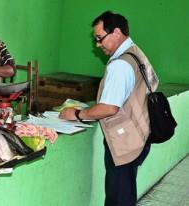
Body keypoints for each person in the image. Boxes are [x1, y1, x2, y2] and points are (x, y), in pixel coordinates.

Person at [59, 11, 159, 206]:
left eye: (99, 38)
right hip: (140, 135)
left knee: (118, 198)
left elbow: (109, 108)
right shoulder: (136, 53)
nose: (97, 45)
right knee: (124, 193)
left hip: (125, 141)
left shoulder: (120, 65)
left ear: (116, 32)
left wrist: (78, 114)